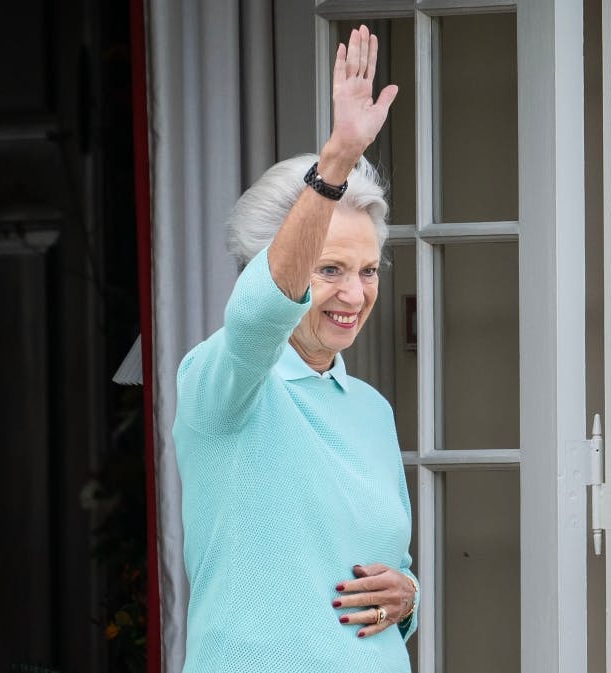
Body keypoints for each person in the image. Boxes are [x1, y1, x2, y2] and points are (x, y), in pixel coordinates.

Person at [173, 26, 417, 672]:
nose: (354, 293)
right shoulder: (223, 383)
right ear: (272, 264)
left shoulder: (370, 410)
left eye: (367, 271)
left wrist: (408, 592)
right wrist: (335, 162)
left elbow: (389, 567)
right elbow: (258, 314)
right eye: (330, 268)